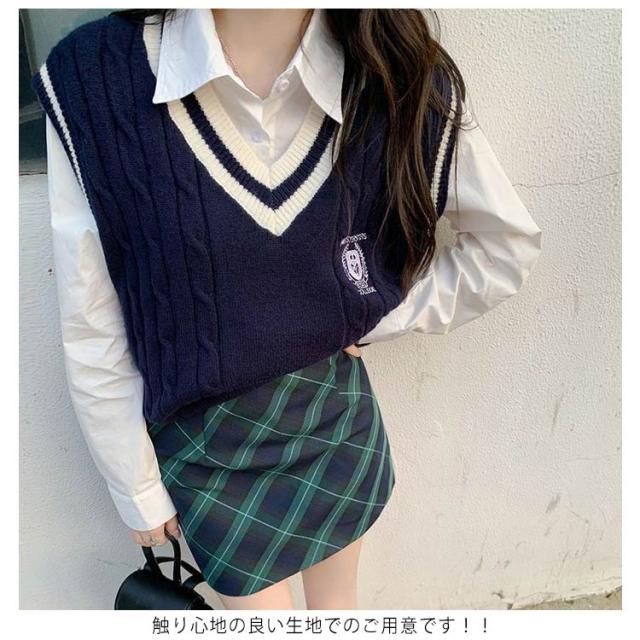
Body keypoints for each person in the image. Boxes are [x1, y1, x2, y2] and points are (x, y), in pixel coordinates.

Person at [33, 8, 542, 610]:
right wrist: (134, 483)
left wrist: (375, 315)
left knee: (338, 610)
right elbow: (92, 316)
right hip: (207, 450)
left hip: (335, 416)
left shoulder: (395, 72)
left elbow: (503, 248)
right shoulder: (94, 80)